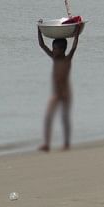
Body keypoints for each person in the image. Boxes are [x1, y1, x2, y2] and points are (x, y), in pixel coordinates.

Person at [37, 23, 82, 151]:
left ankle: (66, 143)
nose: (53, 51)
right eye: (53, 49)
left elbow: (74, 46)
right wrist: (39, 29)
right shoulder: (54, 58)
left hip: (66, 93)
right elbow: (41, 45)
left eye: (55, 49)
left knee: (64, 118)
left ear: (62, 50)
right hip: (56, 93)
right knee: (48, 117)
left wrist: (77, 31)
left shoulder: (67, 59)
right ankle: (46, 144)